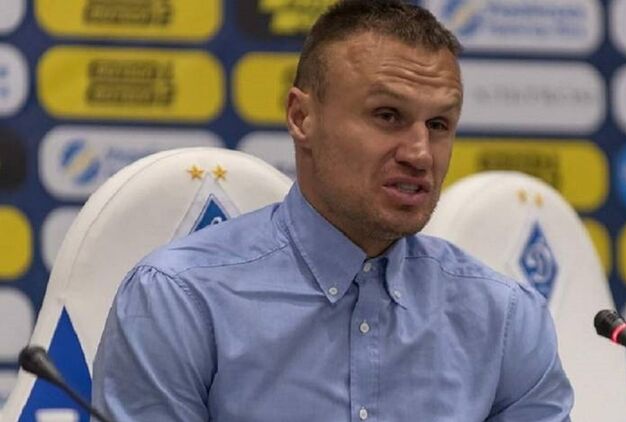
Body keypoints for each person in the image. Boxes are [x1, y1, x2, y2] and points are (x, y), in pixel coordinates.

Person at [92, 1, 574, 420]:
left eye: (439, 124)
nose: (420, 153)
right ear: (301, 117)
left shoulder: (506, 318)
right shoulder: (180, 298)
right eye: (388, 116)